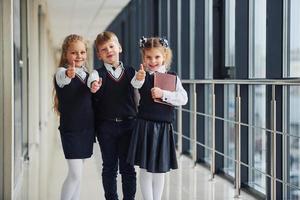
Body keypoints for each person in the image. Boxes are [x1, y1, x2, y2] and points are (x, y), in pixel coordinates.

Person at [127, 36, 188, 200]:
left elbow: (183, 98)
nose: (153, 61)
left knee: (160, 170)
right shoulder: (141, 76)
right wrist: (139, 78)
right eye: (148, 57)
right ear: (143, 58)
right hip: (144, 127)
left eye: (157, 57)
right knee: (145, 170)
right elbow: (135, 84)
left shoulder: (172, 77)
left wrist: (164, 94)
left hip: (162, 128)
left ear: (164, 56)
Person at [88, 31, 137, 200]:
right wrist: (93, 85)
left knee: (128, 168)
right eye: (103, 49)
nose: (109, 50)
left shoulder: (131, 72)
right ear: (99, 55)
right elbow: (92, 79)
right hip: (106, 127)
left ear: (119, 48)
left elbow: (140, 84)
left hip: (128, 126)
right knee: (109, 168)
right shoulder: (98, 74)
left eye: (111, 46)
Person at [53, 34, 95, 200]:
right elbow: (63, 78)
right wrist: (69, 74)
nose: (79, 56)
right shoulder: (62, 72)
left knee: (78, 175)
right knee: (75, 175)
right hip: (71, 130)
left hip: (87, 129)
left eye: (82, 52)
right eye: (74, 53)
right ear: (66, 54)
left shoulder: (87, 74)